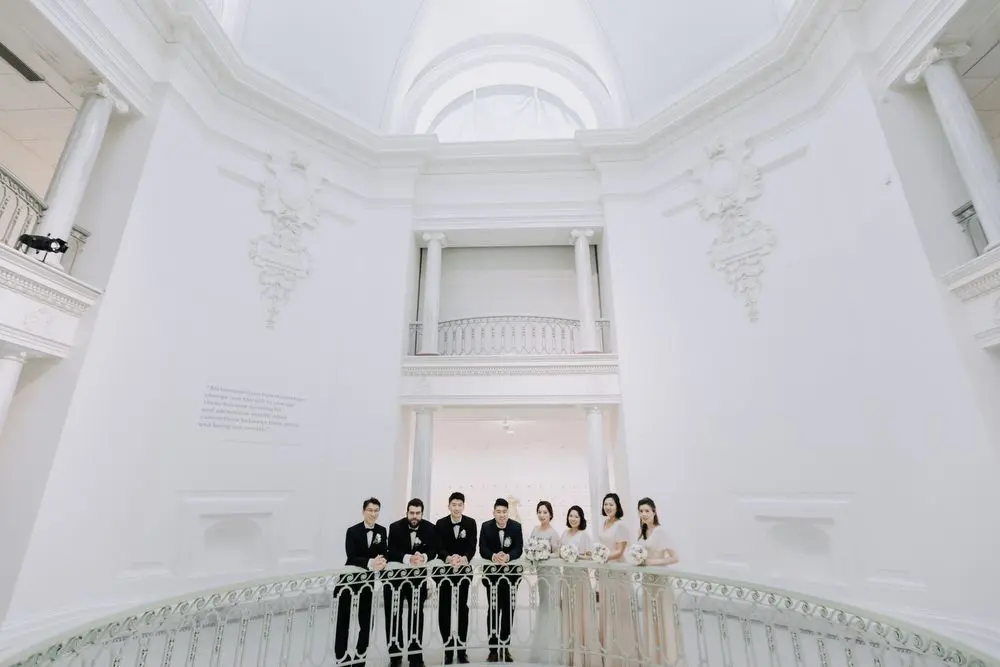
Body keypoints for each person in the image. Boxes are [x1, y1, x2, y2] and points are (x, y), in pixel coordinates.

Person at [334, 497, 388, 666]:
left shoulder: (382, 531)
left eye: (376, 510)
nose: (373, 513)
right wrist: (371, 562)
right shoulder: (352, 531)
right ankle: (342, 659)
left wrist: (382, 560)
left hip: (367, 583)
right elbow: (351, 556)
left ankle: (360, 659)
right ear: (363, 511)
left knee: (367, 622)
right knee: (343, 621)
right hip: (348, 582)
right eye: (370, 510)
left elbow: (384, 551)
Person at [385, 498, 439, 667]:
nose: (414, 516)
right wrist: (408, 558)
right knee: (393, 616)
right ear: (407, 512)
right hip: (396, 580)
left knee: (417, 617)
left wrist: (424, 557)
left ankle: (415, 657)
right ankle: (395, 656)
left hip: (417, 581)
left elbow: (434, 549)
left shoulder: (430, 528)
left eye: (417, 513)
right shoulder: (395, 527)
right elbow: (391, 551)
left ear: (422, 513)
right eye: (411, 513)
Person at [636, 497, 681, 666]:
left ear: (654, 512)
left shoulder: (660, 531)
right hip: (647, 580)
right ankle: (653, 658)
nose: (644, 514)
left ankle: (668, 659)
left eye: (647, 511)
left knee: (663, 615)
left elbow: (675, 557)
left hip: (660, 580)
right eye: (641, 511)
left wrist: (652, 562)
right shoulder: (642, 531)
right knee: (651, 616)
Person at [478, 497, 523, 663]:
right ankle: (493, 649)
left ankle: (505, 647)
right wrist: (494, 556)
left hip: (511, 578)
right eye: (498, 512)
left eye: (504, 512)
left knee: (508, 612)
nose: (502, 515)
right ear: (493, 512)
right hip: (492, 578)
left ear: (508, 512)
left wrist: (508, 557)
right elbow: (482, 548)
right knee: (493, 611)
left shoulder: (516, 526)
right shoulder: (486, 526)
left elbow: (519, 548)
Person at [435, 491, 477, 664]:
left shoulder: (470, 523)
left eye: (460, 505)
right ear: (449, 506)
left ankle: (461, 649)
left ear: (463, 506)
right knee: (444, 609)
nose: (457, 508)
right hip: (445, 573)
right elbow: (438, 546)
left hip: (463, 573)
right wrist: (448, 558)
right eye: (454, 505)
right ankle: (447, 649)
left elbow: (472, 546)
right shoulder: (440, 523)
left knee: (462, 609)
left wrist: (464, 558)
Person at [596, 493, 636, 667]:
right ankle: (607, 650)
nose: (608, 507)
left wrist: (602, 557)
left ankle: (622, 654)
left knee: (619, 609)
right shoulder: (604, 523)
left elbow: (619, 551)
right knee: (606, 608)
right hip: (605, 571)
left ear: (617, 506)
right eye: (606, 504)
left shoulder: (621, 526)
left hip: (617, 571)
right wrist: (597, 556)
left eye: (611, 504)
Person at [560, 506, 598, 667]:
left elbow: (590, 556)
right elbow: (560, 553)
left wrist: (576, 556)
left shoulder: (584, 535)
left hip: (580, 579)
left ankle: (584, 655)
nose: (573, 519)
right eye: (571, 515)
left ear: (581, 519)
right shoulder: (564, 534)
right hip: (567, 578)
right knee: (569, 612)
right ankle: (570, 653)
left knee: (582, 613)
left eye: (576, 516)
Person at [528, 501, 561, 664]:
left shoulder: (553, 533)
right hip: (540, 574)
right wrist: (533, 553)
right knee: (543, 605)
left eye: (545, 512)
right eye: (539, 512)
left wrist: (544, 554)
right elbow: (530, 547)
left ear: (550, 514)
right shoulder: (535, 530)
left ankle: (552, 649)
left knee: (551, 606)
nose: (542, 515)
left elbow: (557, 554)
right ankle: (540, 647)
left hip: (552, 575)